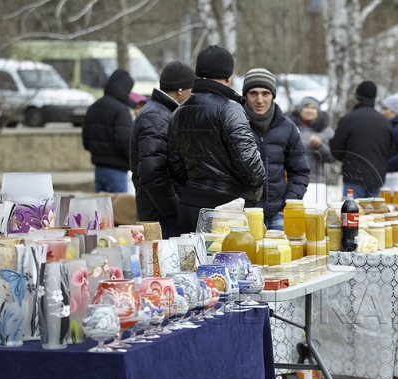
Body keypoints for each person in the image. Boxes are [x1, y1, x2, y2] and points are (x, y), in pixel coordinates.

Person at [167, 45, 266, 234]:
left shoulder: (179, 111)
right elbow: (253, 170)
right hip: (225, 212)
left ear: (197, 75)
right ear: (229, 77)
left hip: (189, 206)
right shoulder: (230, 109)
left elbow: (175, 165)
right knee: (228, 264)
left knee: (192, 264)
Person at [129, 60, 196, 239]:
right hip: (160, 219)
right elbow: (152, 173)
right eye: (192, 89)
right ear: (180, 90)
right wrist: (176, 211)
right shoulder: (156, 117)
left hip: (161, 215)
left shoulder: (163, 113)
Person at [242, 68, 310, 230]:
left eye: (265, 93)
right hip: (243, 217)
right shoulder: (234, 124)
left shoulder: (287, 127)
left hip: (276, 216)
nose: (260, 100)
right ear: (245, 95)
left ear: (273, 95)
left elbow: (300, 171)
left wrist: (287, 204)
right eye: (253, 93)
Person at [329, 80, 393, 198]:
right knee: (374, 216)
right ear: (374, 99)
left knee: (352, 214)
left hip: (353, 177)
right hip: (377, 178)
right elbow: (390, 151)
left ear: (357, 98)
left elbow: (335, 150)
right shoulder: (385, 122)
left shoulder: (348, 120)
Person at [82, 68, 135, 193]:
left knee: (101, 210)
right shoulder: (121, 110)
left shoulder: (93, 107)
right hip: (117, 171)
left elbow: (86, 141)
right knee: (117, 210)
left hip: (99, 169)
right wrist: (134, 162)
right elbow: (124, 143)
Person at [287, 96, 335, 209]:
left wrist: (320, 146)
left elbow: (332, 157)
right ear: (300, 110)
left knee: (316, 215)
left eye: (313, 108)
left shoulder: (326, 131)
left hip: (317, 181)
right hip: (293, 180)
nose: (310, 110)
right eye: (306, 107)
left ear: (317, 111)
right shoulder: (289, 127)